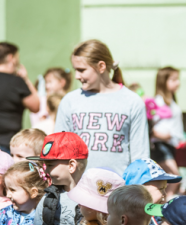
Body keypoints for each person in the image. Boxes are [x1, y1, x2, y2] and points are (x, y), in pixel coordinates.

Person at [56, 39, 150, 173]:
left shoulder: (132, 101)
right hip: (76, 189)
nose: (76, 76)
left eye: (81, 70)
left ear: (101, 67)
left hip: (118, 191)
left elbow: (140, 156)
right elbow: (59, 151)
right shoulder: (70, 101)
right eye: (75, 70)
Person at [122, 158, 182, 225]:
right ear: (138, 191)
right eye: (161, 189)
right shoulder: (124, 220)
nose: (164, 193)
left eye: (165, 188)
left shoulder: (159, 217)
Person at [148, 67, 185, 195]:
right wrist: (161, 135)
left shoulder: (171, 101)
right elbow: (151, 124)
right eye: (174, 79)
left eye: (178, 79)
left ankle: (163, 202)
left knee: (167, 179)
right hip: (160, 145)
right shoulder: (157, 102)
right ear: (163, 81)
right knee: (175, 177)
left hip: (170, 144)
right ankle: (166, 204)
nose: (178, 83)